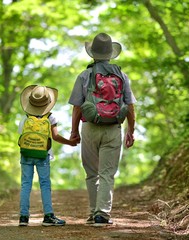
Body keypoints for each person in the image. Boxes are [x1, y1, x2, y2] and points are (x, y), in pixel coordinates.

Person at [68, 33, 136, 227]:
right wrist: (131, 130)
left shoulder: (84, 75)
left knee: (91, 173)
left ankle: (92, 212)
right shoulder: (122, 75)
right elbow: (130, 106)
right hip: (114, 127)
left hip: (89, 127)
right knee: (107, 173)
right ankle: (102, 214)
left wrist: (74, 131)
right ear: (110, 54)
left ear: (92, 54)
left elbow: (77, 107)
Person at [18, 85, 78, 227]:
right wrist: (70, 142)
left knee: (26, 185)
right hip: (43, 155)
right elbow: (55, 137)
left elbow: (21, 136)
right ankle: (48, 216)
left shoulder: (25, 117)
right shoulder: (51, 117)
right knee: (44, 184)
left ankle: (23, 217)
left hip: (26, 154)